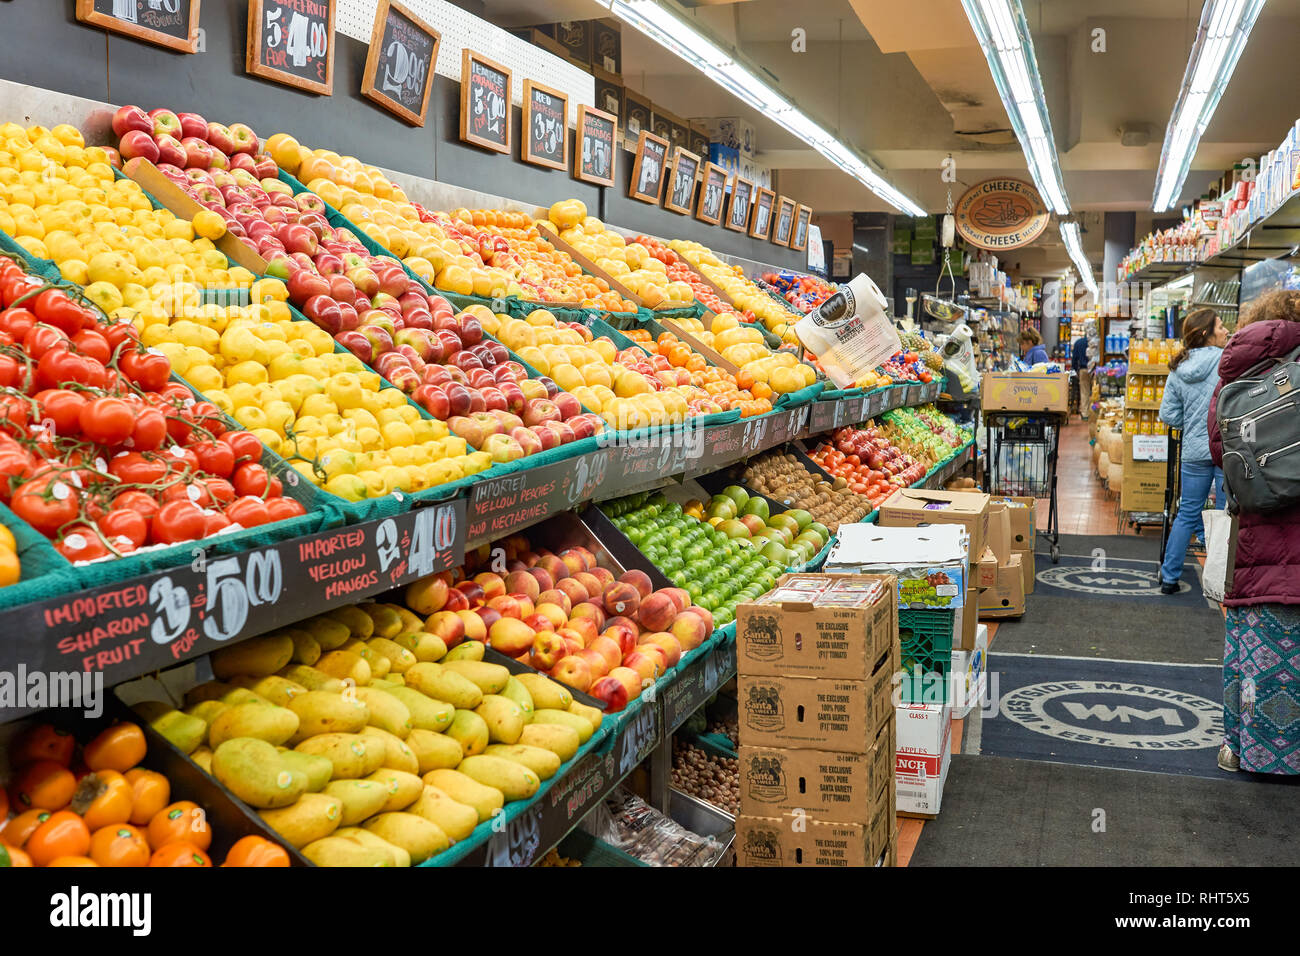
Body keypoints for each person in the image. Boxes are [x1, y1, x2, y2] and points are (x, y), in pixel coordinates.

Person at [1208, 289, 1300, 775]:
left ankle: (1246, 749)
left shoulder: (1235, 375)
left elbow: (1221, 452)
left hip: (1255, 541)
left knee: (1255, 654)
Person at [1158, 309, 1228, 594]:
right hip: (1225, 450)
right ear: (1207, 333)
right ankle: (1223, 581)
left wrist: (1193, 423)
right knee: (1227, 515)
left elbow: (1168, 414)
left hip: (1194, 450)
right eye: (1221, 326)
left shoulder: (1178, 366)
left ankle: (1169, 577)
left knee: (1187, 513)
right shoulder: (1227, 361)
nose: (1226, 331)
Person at [1072, 334, 1091, 419]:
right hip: (1095, 369)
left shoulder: (1078, 343)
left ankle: (1085, 414)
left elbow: (1074, 359)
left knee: (1084, 392)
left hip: (1083, 369)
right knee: (1096, 392)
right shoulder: (1096, 342)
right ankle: (1095, 413)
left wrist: (1075, 370)